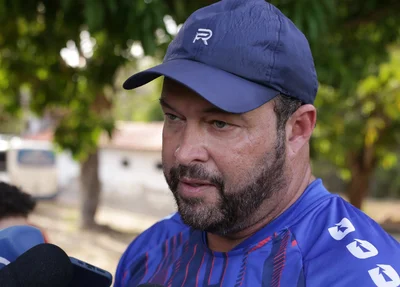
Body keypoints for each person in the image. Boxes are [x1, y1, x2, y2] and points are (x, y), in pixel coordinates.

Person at [115, 0, 400, 286]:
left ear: (297, 130)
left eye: (220, 123)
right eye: (174, 117)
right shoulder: (149, 252)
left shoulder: (354, 275)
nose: (185, 152)